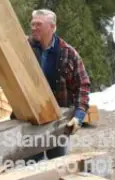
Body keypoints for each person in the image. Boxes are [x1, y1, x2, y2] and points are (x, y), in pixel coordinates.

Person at [27, 9, 91, 160]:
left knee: (57, 164)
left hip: (57, 119)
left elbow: (83, 84)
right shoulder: (24, 47)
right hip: (30, 121)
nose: (34, 27)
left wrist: (79, 115)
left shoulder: (68, 53)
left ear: (52, 27)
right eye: (33, 24)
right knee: (30, 167)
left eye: (39, 24)